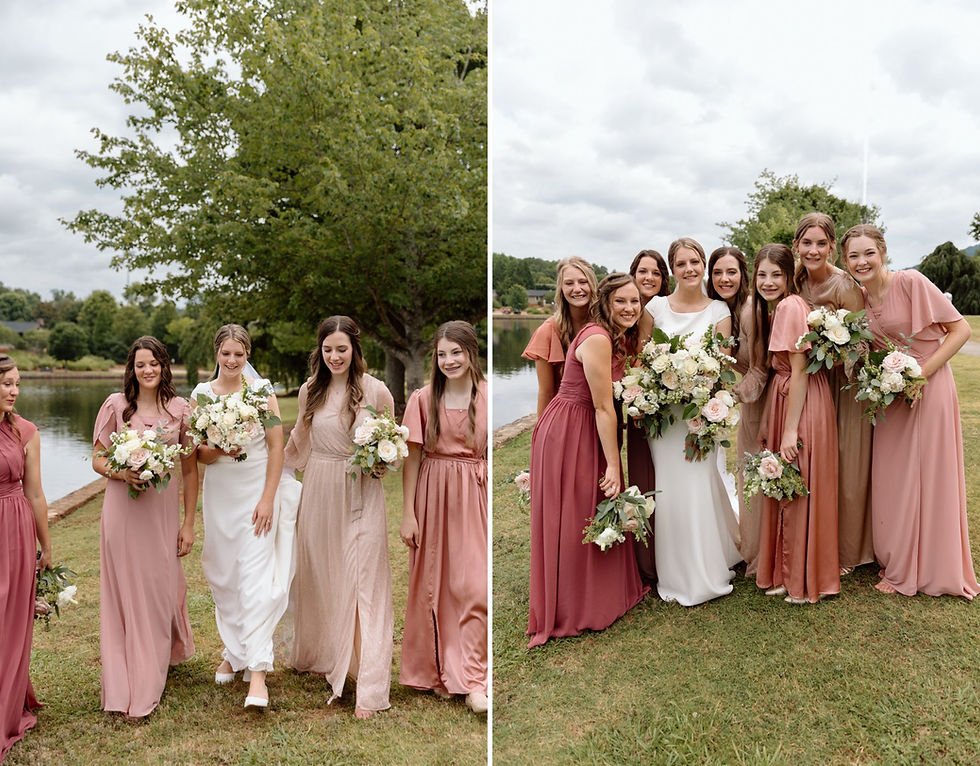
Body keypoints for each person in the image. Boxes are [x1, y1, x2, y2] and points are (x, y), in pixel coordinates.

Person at [841, 225, 978, 598]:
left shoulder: (911, 282)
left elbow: (961, 330)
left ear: (882, 251)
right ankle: (897, 559)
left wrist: (920, 375)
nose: (862, 261)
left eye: (868, 252)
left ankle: (932, 565)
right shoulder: (859, 299)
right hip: (890, 396)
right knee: (892, 478)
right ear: (845, 261)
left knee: (929, 473)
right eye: (853, 255)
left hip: (929, 386)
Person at [527, 273, 648, 647]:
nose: (629, 308)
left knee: (580, 509)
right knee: (579, 507)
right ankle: (574, 606)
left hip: (578, 424)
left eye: (635, 302)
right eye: (621, 302)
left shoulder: (607, 334)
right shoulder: (597, 337)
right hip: (573, 427)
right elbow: (602, 407)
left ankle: (589, 594)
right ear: (605, 303)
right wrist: (614, 465)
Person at [284, 316, 395, 718]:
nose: (335, 356)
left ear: (355, 350)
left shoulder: (375, 390)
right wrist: (261, 477)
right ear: (320, 351)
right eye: (328, 349)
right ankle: (328, 655)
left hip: (361, 492)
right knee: (325, 574)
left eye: (342, 349)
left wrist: (380, 463)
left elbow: (391, 441)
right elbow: (298, 441)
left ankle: (370, 685)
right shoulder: (309, 391)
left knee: (366, 580)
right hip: (319, 488)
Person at [193, 324, 299, 710]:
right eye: (226, 354)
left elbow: (276, 448)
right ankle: (234, 651)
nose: (232, 361)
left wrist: (269, 498)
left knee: (255, 576)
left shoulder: (261, 392)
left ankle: (257, 672)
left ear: (247, 354)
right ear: (216, 353)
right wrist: (220, 447)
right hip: (221, 492)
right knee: (225, 573)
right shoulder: (202, 395)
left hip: (257, 491)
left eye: (239, 354)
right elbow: (198, 454)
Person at [92, 337, 197, 719]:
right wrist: (123, 472)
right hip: (122, 511)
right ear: (131, 369)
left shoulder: (180, 409)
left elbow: (189, 469)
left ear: (164, 365)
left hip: (161, 515)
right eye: (140, 365)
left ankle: (152, 671)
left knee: (157, 589)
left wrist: (187, 523)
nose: (147, 370)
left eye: (153, 363)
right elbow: (98, 459)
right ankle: (122, 684)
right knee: (123, 594)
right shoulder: (116, 406)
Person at [646, 238, 742, 606]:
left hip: (700, 414)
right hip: (666, 418)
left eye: (695, 261)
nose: (689, 269)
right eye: (681, 263)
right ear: (672, 268)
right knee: (671, 491)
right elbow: (643, 356)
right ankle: (676, 571)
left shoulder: (719, 310)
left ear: (703, 264)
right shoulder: (655, 307)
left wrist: (704, 398)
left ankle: (708, 568)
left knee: (700, 485)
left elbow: (723, 366)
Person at [400, 321, 488, 714]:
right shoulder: (421, 398)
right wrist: (407, 513)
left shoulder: (489, 395)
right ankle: (434, 669)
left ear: (471, 353)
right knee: (433, 585)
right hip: (432, 493)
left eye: (456, 352)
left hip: (473, 494)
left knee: (472, 585)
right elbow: (412, 459)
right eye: (442, 354)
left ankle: (473, 678)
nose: (449, 360)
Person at [753, 244, 840, 604]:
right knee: (791, 483)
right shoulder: (789, 306)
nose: (768, 282)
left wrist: (789, 430)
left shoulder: (789, 306)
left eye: (776, 274)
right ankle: (788, 573)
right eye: (761, 275)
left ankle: (800, 579)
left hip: (800, 401)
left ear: (789, 276)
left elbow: (800, 371)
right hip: (791, 397)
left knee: (797, 481)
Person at [794, 212, 873, 574]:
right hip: (809, 385)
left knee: (847, 465)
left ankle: (848, 550)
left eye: (821, 243)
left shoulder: (845, 287)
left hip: (844, 387)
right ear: (796, 246)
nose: (814, 251)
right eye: (807, 243)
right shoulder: (795, 282)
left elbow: (862, 345)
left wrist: (834, 350)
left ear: (832, 247)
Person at [0, 354, 51, 760]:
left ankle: (9, 698)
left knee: (12, 618)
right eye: (6, 383)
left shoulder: (26, 431)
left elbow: (34, 492)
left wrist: (46, 545)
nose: (14, 390)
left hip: (15, 528)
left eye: (17, 383)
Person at [706, 246, 758, 559]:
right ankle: (749, 537)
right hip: (745, 395)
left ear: (743, 274)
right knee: (747, 470)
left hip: (765, 392)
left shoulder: (752, 307)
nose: (725, 279)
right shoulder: (712, 310)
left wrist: (735, 396)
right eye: (718, 272)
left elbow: (762, 364)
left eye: (732, 272)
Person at [626, 249, 669, 585]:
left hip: (663, 407)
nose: (649, 278)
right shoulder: (621, 311)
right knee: (641, 479)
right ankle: (642, 558)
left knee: (664, 482)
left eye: (656, 272)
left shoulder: (663, 310)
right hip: (631, 408)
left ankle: (665, 552)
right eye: (643, 271)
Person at [522, 256, 598, 417]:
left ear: (593, 284)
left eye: (583, 282)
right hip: (565, 419)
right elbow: (546, 393)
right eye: (569, 283)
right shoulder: (548, 331)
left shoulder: (605, 326)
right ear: (561, 289)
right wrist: (540, 433)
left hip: (603, 418)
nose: (577, 289)